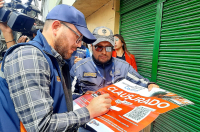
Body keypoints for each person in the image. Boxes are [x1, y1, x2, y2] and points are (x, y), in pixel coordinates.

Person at [0, 4, 112, 132]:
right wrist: (89, 111)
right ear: (56, 27)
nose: (80, 44)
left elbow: (50, 97)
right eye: (78, 37)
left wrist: (81, 97)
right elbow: (41, 126)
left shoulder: (52, 57)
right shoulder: (29, 56)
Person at [70, 26, 159, 131]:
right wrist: (83, 96)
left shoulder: (123, 67)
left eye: (108, 48)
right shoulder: (79, 67)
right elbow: (67, 95)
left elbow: (140, 81)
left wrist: (150, 85)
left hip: (117, 124)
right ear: (91, 46)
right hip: (88, 126)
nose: (104, 52)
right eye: (99, 47)